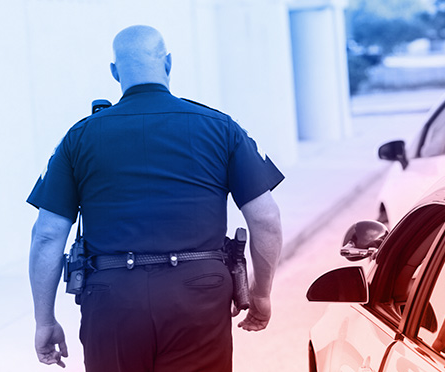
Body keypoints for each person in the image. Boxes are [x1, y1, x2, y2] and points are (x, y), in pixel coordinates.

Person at [27, 25, 284, 371]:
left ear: (115, 73)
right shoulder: (221, 128)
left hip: (113, 300)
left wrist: (45, 321)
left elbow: (46, 236)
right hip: (199, 295)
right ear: (169, 63)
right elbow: (266, 219)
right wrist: (262, 293)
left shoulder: (80, 137)